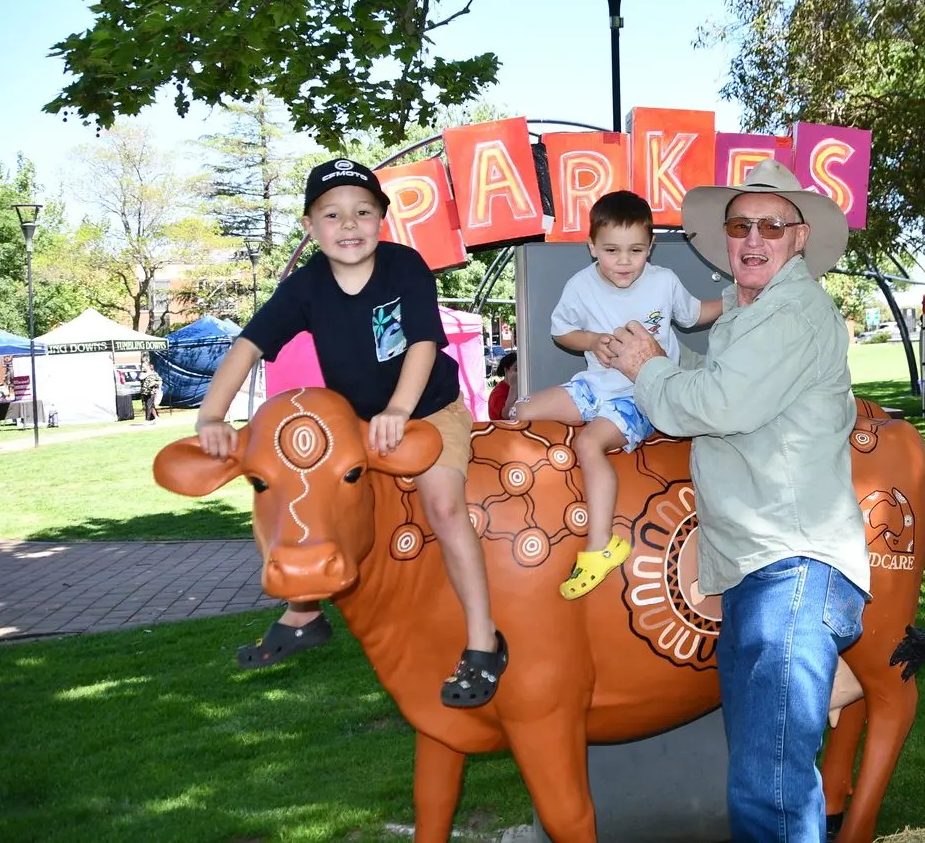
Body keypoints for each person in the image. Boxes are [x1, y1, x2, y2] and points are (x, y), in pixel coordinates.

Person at [604, 159, 870, 841]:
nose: (753, 238)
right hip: (770, 568)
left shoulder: (788, 314)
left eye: (770, 225)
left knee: (769, 786)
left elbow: (716, 405)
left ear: (798, 236)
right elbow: (720, 384)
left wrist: (645, 367)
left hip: (790, 568)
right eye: (739, 224)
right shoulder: (752, 315)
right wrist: (659, 356)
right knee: (768, 774)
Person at [195, 158, 507, 707]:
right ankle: (305, 611)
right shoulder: (306, 286)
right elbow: (247, 345)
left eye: (362, 212)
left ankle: (483, 641)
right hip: (360, 425)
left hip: (427, 409)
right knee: (316, 504)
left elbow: (422, 343)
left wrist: (399, 409)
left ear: (382, 219)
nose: (349, 225)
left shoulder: (404, 266)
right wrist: (211, 416)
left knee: (443, 505)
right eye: (332, 214)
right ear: (311, 226)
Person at [512, 190, 721, 600]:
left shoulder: (663, 282)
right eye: (611, 250)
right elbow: (561, 331)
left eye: (635, 250)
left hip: (641, 395)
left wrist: (737, 301)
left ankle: (600, 545)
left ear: (650, 247)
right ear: (592, 247)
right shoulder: (580, 285)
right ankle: (532, 510)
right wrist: (591, 340)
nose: (624, 261)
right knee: (523, 410)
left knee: (590, 443)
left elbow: (695, 314)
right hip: (595, 386)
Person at [488, 351, 517, 421]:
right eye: (516, 369)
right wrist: (513, 388)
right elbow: (506, 415)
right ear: (506, 370)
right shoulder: (498, 393)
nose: (520, 373)